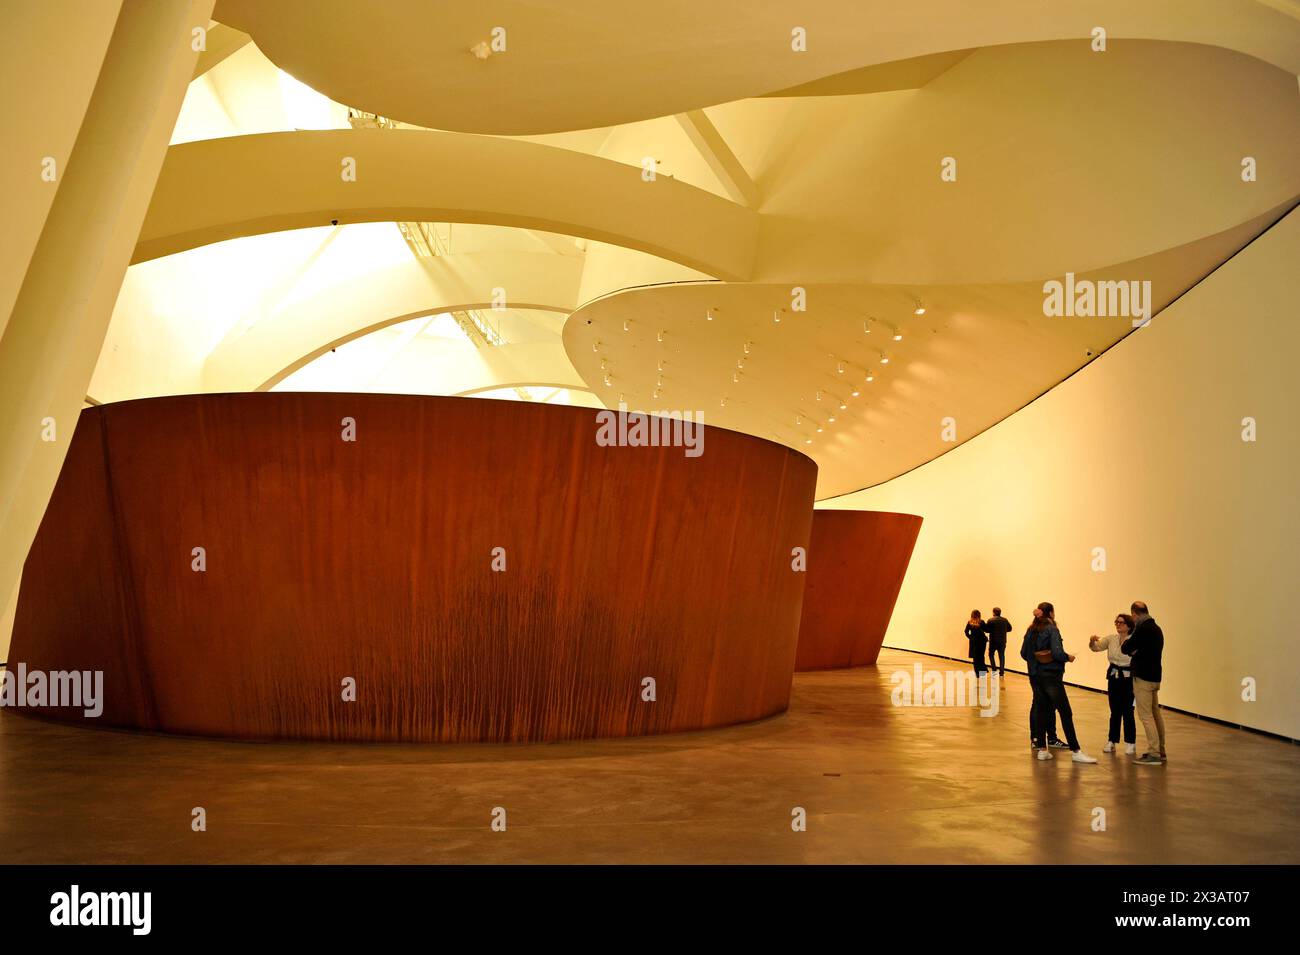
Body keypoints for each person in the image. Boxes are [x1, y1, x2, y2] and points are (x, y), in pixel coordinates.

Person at [1020, 602, 1097, 763]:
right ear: (1051, 613)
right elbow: (1057, 653)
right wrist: (1067, 657)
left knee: (1041, 710)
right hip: (1051, 676)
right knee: (1065, 712)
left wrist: (1036, 661)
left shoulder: (1030, 630)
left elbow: (1023, 653)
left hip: (1035, 676)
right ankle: (1076, 751)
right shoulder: (1052, 629)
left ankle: (1042, 749)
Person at [1121, 600, 1166, 765]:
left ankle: (1153, 753)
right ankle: (1161, 749)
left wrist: (1133, 648)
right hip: (1155, 677)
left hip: (1143, 678)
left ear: (1134, 614)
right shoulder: (1157, 629)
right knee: (1155, 713)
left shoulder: (1142, 629)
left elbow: (1126, 648)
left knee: (1145, 716)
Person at [1089, 613, 1137, 754]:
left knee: (1128, 711)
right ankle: (1112, 741)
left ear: (1129, 625)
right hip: (1114, 677)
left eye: (1121, 622)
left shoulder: (1133, 640)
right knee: (1115, 710)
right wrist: (1092, 641)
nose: (1117, 625)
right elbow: (1096, 648)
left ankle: (1130, 742)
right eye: (1116, 622)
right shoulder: (1111, 639)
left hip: (1128, 679)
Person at [985, 607, 1011, 679]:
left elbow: (987, 630)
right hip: (1002, 641)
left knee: (991, 655)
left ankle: (994, 670)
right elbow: (1010, 628)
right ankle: (1002, 672)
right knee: (1002, 656)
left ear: (993, 612)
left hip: (993, 641)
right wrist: (1003, 631)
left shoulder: (991, 620)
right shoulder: (1004, 620)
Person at [964, 610, 988, 677]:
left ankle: (977, 673)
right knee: (981, 656)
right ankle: (982, 672)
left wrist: (971, 637)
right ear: (979, 615)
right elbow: (986, 630)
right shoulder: (981, 622)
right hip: (982, 642)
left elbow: (966, 631)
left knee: (975, 658)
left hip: (974, 642)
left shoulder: (969, 622)